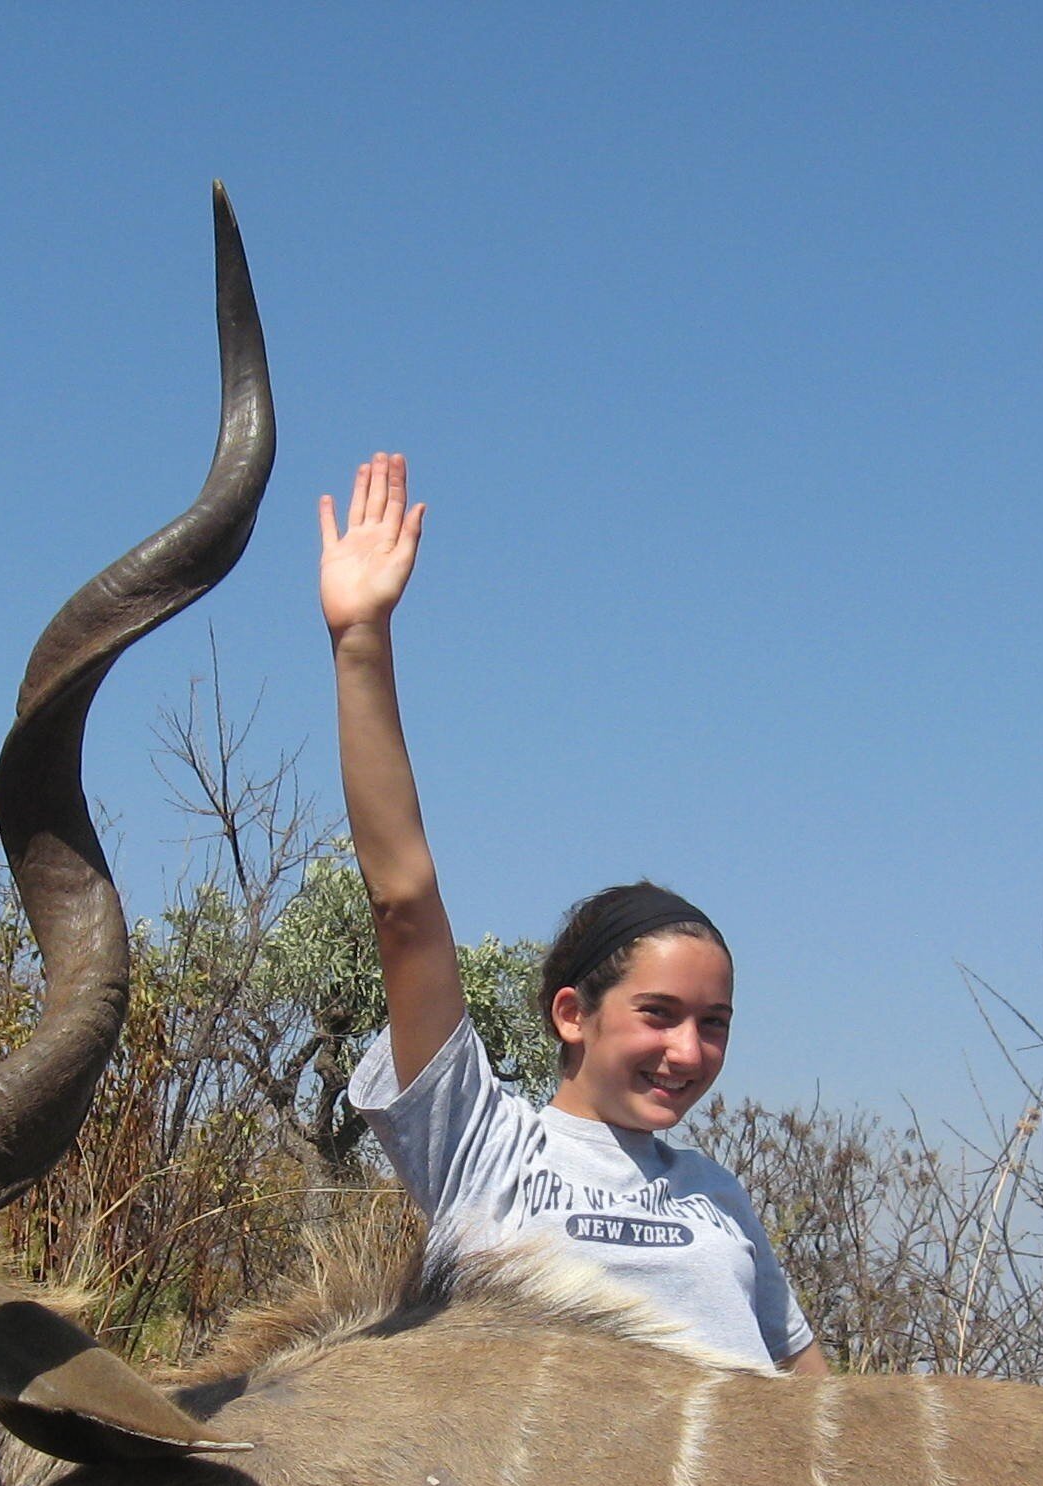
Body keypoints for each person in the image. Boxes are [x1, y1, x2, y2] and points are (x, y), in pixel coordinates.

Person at [320, 452, 826, 1375]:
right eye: (661, 1014)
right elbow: (403, 900)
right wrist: (361, 644)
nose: (689, 1052)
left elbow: (819, 1410)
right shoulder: (482, 1147)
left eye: (713, 1026)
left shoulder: (715, 1196)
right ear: (571, 1012)